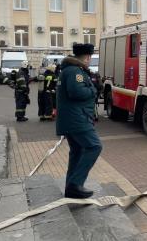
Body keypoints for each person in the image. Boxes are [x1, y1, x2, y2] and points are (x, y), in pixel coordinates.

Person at [56, 43, 102, 199]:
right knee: (94, 146)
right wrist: (94, 88)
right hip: (78, 119)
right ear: (88, 57)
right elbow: (76, 92)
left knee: (77, 151)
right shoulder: (76, 72)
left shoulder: (68, 70)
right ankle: (76, 184)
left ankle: (71, 187)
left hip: (72, 118)